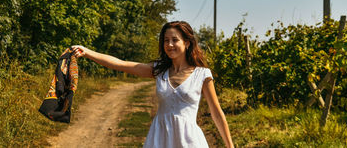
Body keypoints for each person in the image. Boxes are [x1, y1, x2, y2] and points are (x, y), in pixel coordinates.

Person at [72, 21, 234, 148]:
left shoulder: (202, 74)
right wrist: (87, 52)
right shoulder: (158, 70)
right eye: (166, 40)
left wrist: (230, 146)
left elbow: (217, 113)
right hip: (159, 138)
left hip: (189, 140)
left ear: (187, 43)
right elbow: (120, 64)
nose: (169, 45)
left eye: (174, 40)